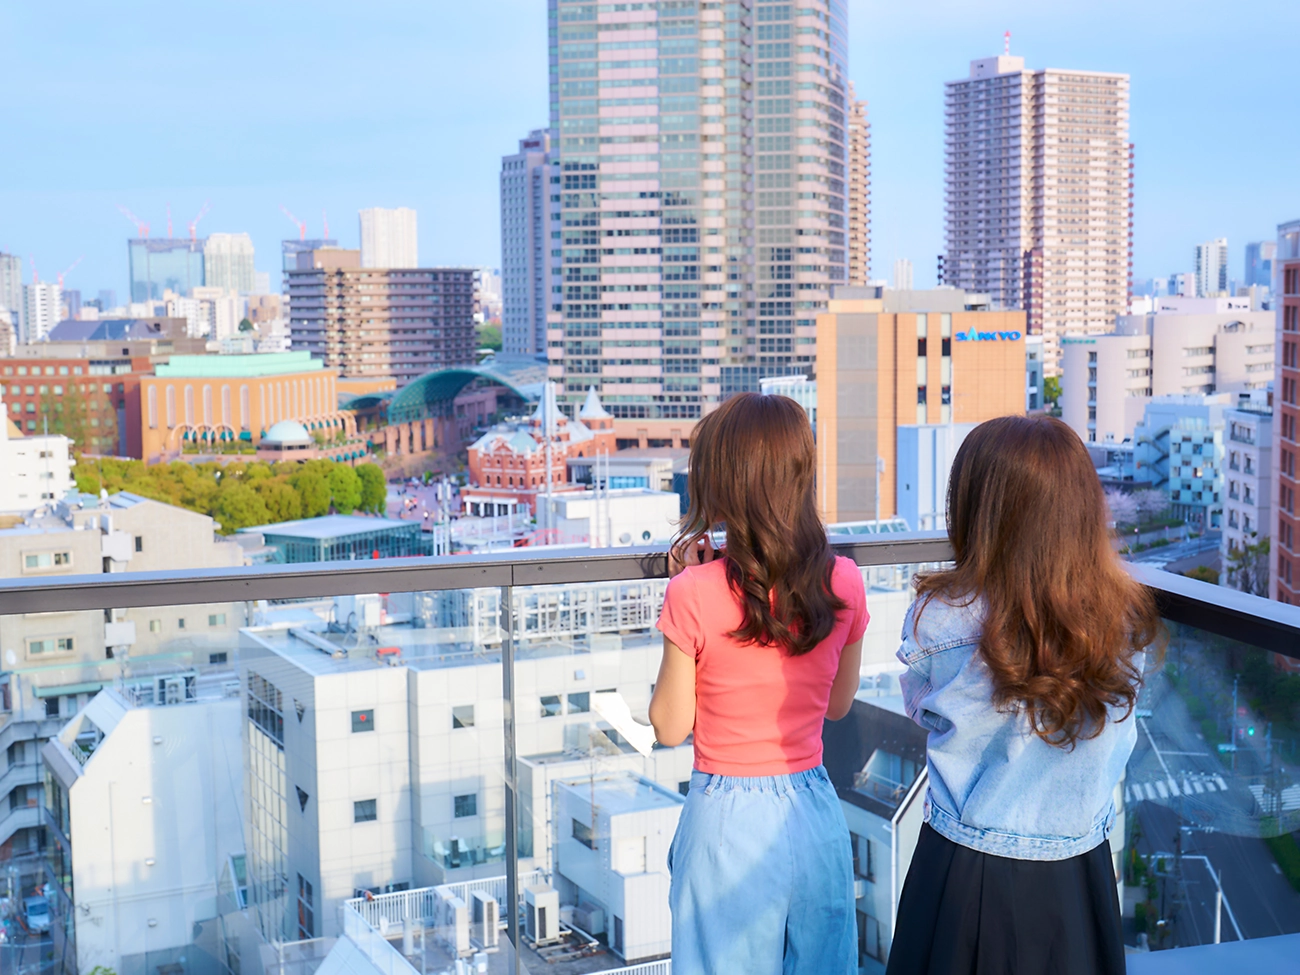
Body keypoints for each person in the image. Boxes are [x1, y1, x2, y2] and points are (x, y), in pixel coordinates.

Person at [886, 415, 1162, 975]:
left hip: (966, 864)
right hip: (1078, 864)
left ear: (976, 510)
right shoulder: (1121, 617)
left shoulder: (940, 616)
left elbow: (923, 709)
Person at [648, 392, 867, 975]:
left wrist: (685, 590)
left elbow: (669, 726)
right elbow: (838, 705)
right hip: (813, 807)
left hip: (726, 820)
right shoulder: (845, 582)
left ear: (726, 483)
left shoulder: (692, 591)